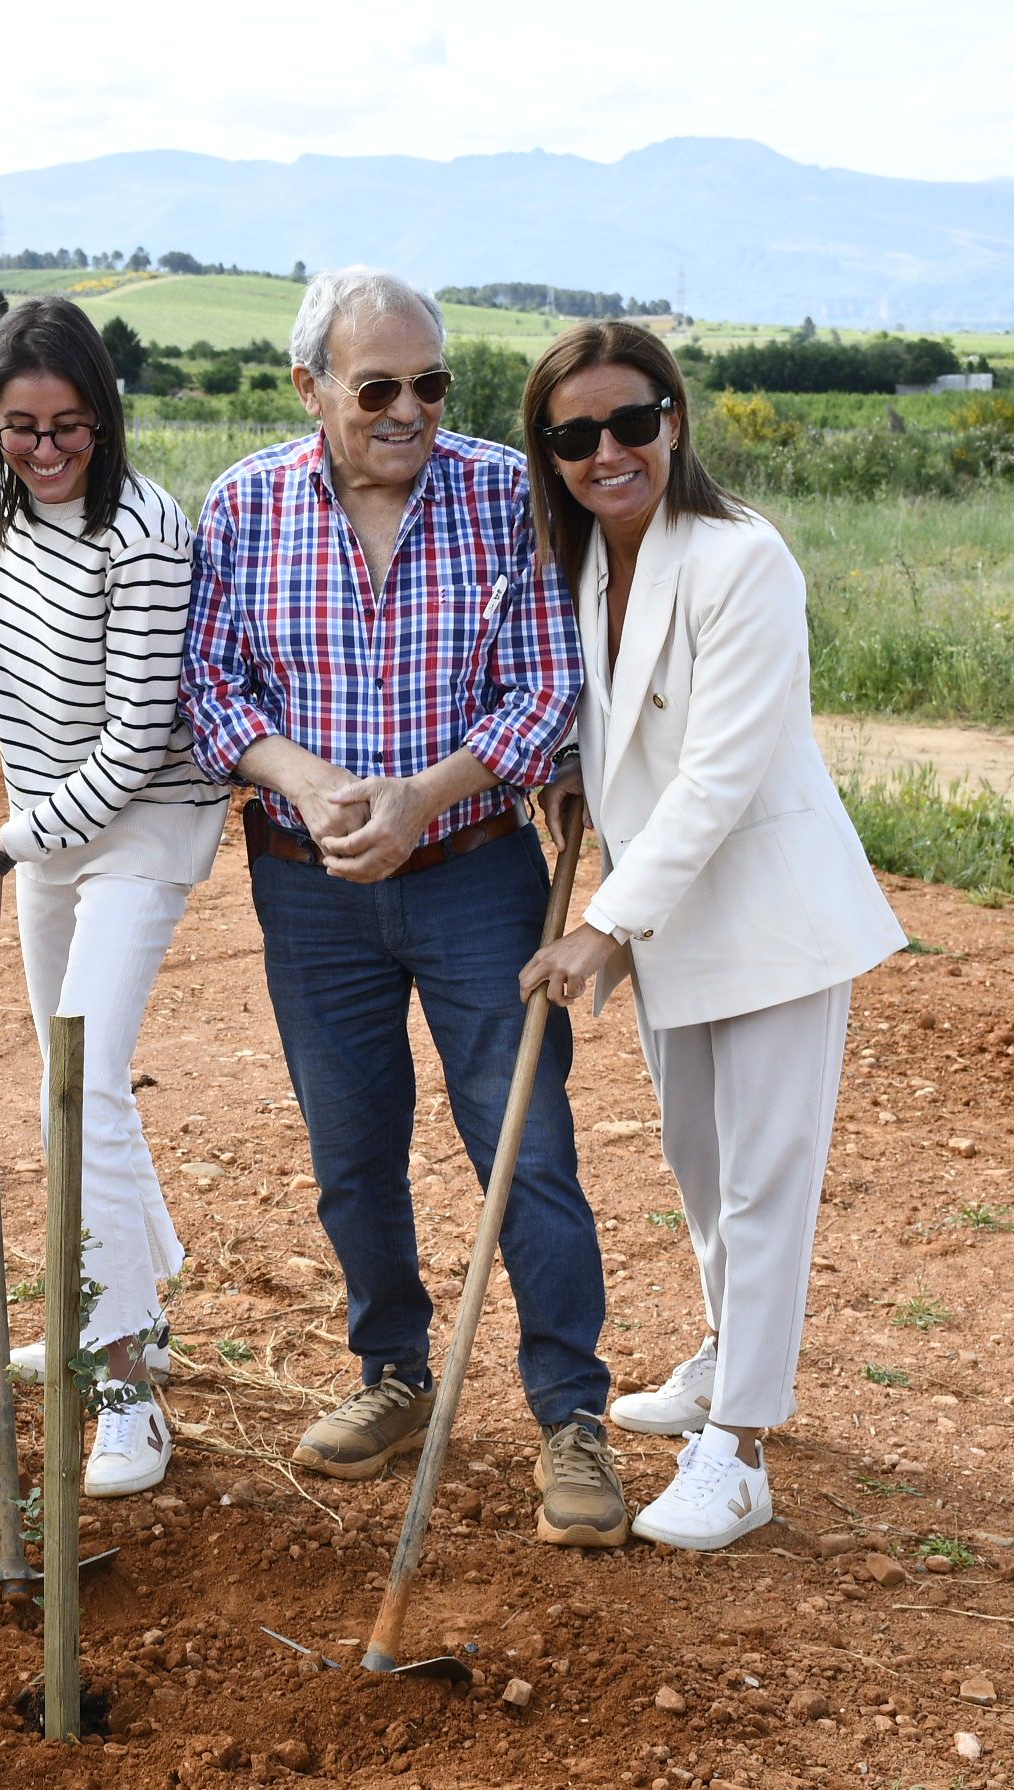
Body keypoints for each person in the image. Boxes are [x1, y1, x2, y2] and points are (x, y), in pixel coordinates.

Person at [180, 267, 627, 1547]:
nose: (409, 409)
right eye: (377, 386)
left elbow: (547, 686)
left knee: (525, 1145)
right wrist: (308, 780)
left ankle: (569, 1417)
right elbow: (210, 688)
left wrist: (428, 794)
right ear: (309, 387)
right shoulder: (248, 504)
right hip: (306, 885)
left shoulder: (503, 490)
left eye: (431, 384)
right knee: (352, 1149)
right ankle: (392, 1370)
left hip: (480, 872)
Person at [516, 321, 906, 1551]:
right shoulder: (586, 558)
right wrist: (574, 777)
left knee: (763, 1178)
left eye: (631, 421)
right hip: (676, 919)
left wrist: (601, 927)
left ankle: (736, 1447)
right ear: (554, 453)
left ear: (673, 420)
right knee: (698, 1164)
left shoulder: (743, 558)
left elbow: (724, 772)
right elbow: (624, 728)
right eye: (576, 435)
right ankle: (727, 1350)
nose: (607, 450)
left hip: (770, 916)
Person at [0, 299, 229, 1499]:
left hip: (139, 823)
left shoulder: (146, 532)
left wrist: (0, 851)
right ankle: (128, 1300)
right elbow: (3, 562)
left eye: (70, 428)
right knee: (71, 1088)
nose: (47, 452)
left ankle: (125, 1388)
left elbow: (139, 729)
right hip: (49, 827)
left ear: (104, 416)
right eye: (19, 430)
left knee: (85, 1075)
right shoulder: (11, 510)